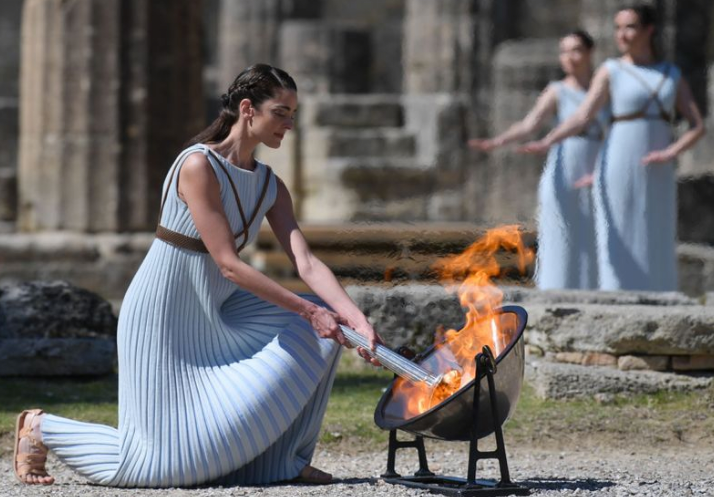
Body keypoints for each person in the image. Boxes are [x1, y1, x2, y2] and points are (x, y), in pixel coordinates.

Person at [13, 64, 381, 488]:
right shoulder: (198, 165)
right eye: (281, 112)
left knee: (325, 330)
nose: (289, 124)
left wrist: (355, 319)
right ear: (248, 109)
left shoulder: (271, 185)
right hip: (165, 312)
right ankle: (43, 428)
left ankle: (281, 462)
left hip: (219, 310)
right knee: (159, 466)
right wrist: (308, 310)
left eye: (292, 115)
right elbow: (227, 262)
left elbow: (307, 262)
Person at [519, 5, 706, 291]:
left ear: (648, 31)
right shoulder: (611, 70)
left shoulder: (670, 74)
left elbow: (697, 125)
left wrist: (671, 153)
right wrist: (548, 140)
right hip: (618, 157)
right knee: (616, 227)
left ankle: (659, 296)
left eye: (629, 27)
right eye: (618, 28)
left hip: (658, 163)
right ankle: (615, 294)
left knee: (655, 228)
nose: (622, 34)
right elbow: (583, 115)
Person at [469, 30, 609, 290]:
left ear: (590, 52)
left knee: (595, 235)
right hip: (565, 168)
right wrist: (499, 141)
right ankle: (555, 291)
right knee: (561, 233)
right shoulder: (558, 91)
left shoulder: (603, 91)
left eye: (576, 50)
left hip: (596, 169)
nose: (569, 57)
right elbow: (529, 124)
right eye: (564, 51)